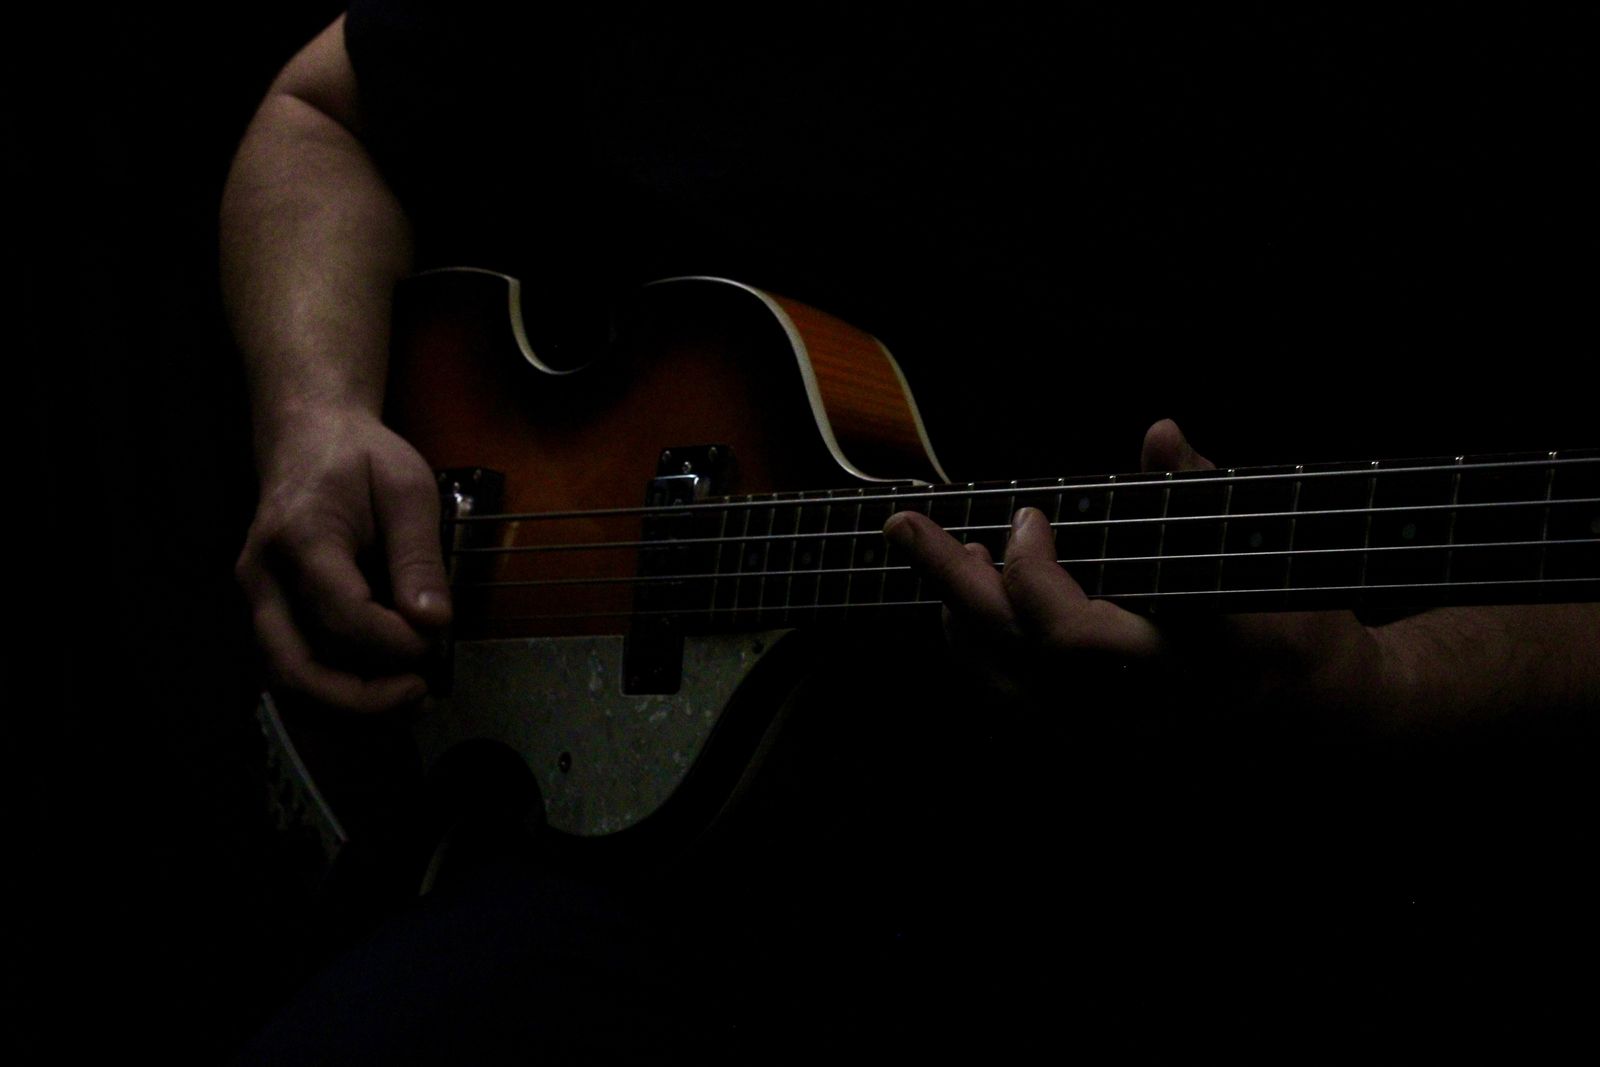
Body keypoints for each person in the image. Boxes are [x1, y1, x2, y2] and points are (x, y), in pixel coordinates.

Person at [225, 6, 1599, 1056]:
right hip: (646, 893)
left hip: (1239, 899)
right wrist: (316, 416)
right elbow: (318, 115)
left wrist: (1381, 689)